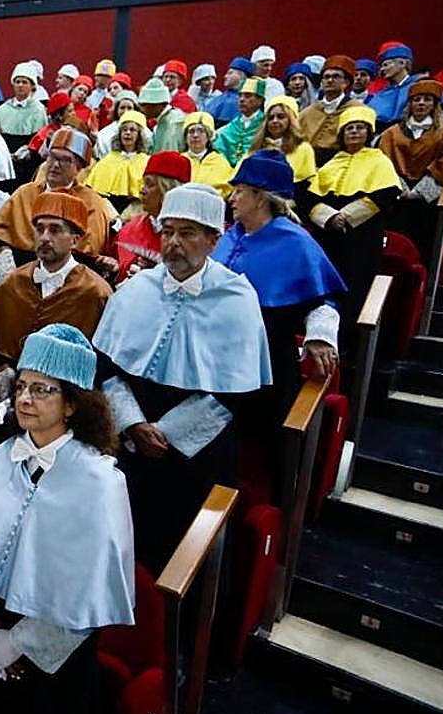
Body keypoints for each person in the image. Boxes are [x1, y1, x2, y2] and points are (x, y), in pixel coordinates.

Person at [0, 324, 135, 714]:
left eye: (42, 390)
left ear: (71, 404)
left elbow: (89, 590)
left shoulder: (99, 480)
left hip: (53, 651)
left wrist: (18, 643)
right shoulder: (2, 454)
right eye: (22, 387)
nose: (25, 399)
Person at [93, 184, 271, 570]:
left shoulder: (237, 297)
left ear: (213, 239)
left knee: (174, 557)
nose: (173, 243)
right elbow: (106, 366)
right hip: (130, 440)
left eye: (187, 233)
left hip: (196, 455)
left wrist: (167, 433)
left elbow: (236, 392)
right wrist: (134, 424)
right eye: (168, 231)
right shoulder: (136, 289)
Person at [216, 150, 345, 422]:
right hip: (215, 353)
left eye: (239, 191)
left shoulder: (295, 242)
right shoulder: (230, 235)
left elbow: (323, 300)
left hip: (266, 365)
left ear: (260, 197)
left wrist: (320, 336)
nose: (232, 198)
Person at [299, 106, 401, 342]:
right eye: (349, 129)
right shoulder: (332, 162)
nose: (354, 132)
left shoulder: (379, 161)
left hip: (361, 236)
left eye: (359, 128)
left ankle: (349, 338)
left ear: (368, 132)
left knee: (355, 286)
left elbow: (384, 195)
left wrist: (347, 216)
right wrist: (329, 217)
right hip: (328, 233)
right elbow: (311, 198)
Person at [0, 191, 112, 366]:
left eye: (55, 230)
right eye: (40, 229)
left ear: (75, 241)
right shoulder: (14, 282)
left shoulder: (95, 292)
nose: (45, 237)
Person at [0, 128, 114, 277]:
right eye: (52, 157)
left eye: (65, 160)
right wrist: (8, 270)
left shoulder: (92, 203)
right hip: (19, 272)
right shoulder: (25, 193)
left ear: (79, 168)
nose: (55, 165)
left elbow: (88, 253)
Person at [378, 79, 443, 257]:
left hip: (429, 197)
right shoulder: (391, 133)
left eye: (427, 99)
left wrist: (420, 190)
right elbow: (384, 159)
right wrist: (400, 187)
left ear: (435, 104)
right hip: (398, 196)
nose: (421, 103)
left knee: (424, 243)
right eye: (416, 99)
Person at [113, 151, 191, 282]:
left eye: (149, 184)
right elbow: (117, 263)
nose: (142, 190)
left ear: (168, 190)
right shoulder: (131, 228)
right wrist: (113, 266)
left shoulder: (192, 235)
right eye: (143, 184)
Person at [84, 110, 149, 215]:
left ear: (139, 135)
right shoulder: (108, 159)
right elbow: (96, 192)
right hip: (109, 210)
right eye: (124, 130)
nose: (128, 133)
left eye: (132, 130)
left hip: (134, 211)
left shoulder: (146, 161)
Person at [246, 96, 317, 189]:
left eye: (281, 117)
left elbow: (307, 181)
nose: (275, 121)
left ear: (291, 120)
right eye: (271, 118)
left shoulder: (303, 148)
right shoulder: (257, 146)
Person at [299, 55, 358, 166]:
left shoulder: (357, 110)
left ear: (346, 82)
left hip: (343, 163)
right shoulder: (307, 112)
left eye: (335, 77)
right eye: (326, 77)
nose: (330, 80)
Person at [214, 78, 267, 165]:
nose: (241, 99)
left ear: (260, 100)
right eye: (240, 95)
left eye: (248, 95)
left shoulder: (266, 124)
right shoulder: (231, 126)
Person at [0, 62, 49, 151]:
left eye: (24, 82)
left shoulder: (38, 109)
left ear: (32, 85)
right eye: (17, 82)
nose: (20, 85)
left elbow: (40, 137)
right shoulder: (3, 109)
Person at [182, 111, 234, 196]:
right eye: (191, 131)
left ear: (208, 137)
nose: (195, 135)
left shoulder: (219, 162)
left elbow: (226, 189)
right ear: (185, 137)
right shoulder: (179, 160)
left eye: (201, 131)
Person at [367, 43, 418, 129]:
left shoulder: (420, 86)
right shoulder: (380, 94)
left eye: (386, 65)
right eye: (381, 66)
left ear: (402, 63)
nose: (382, 69)